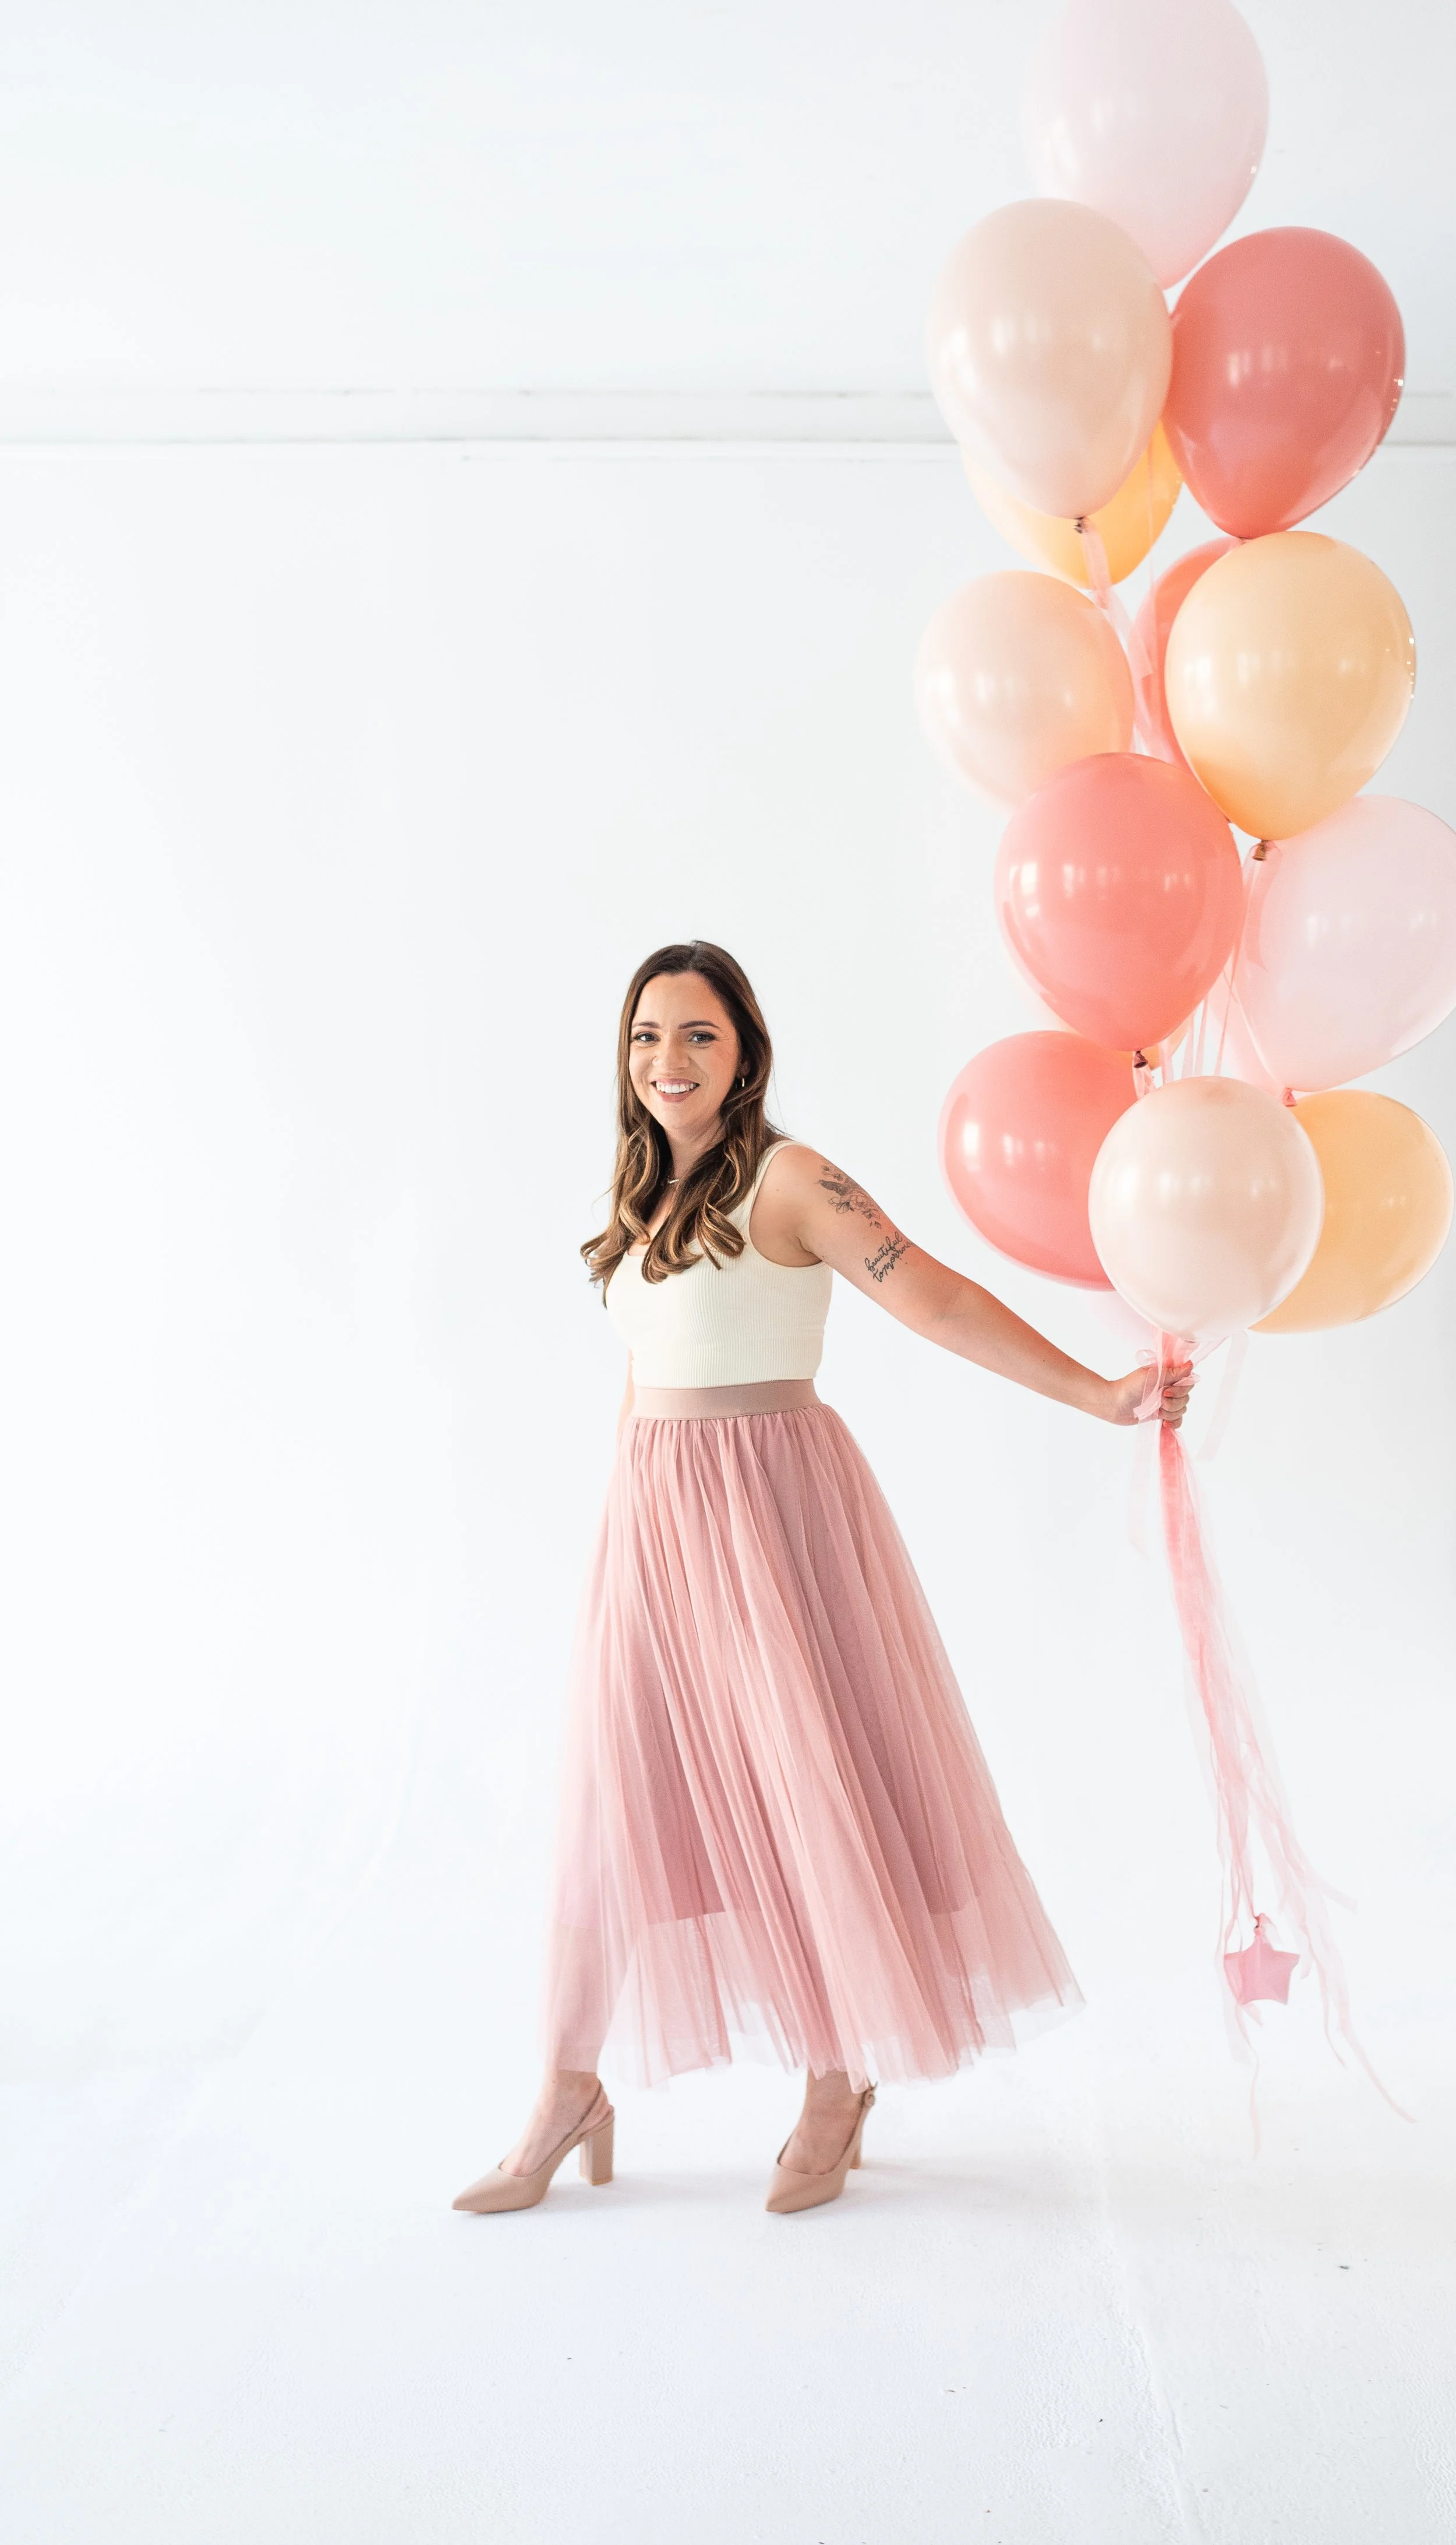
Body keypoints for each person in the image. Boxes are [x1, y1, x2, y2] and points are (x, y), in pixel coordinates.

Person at [454, 941, 1191, 2218]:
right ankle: (566, 2083)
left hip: (772, 1516)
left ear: (743, 1051)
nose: (666, 1060)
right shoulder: (642, 1199)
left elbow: (936, 1300)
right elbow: (642, 1380)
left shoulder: (788, 1179)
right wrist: (628, 1522)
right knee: (606, 1804)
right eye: (644, 1037)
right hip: (652, 1520)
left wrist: (1097, 1392)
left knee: (804, 1789)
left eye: (695, 1035)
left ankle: (836, 2076)